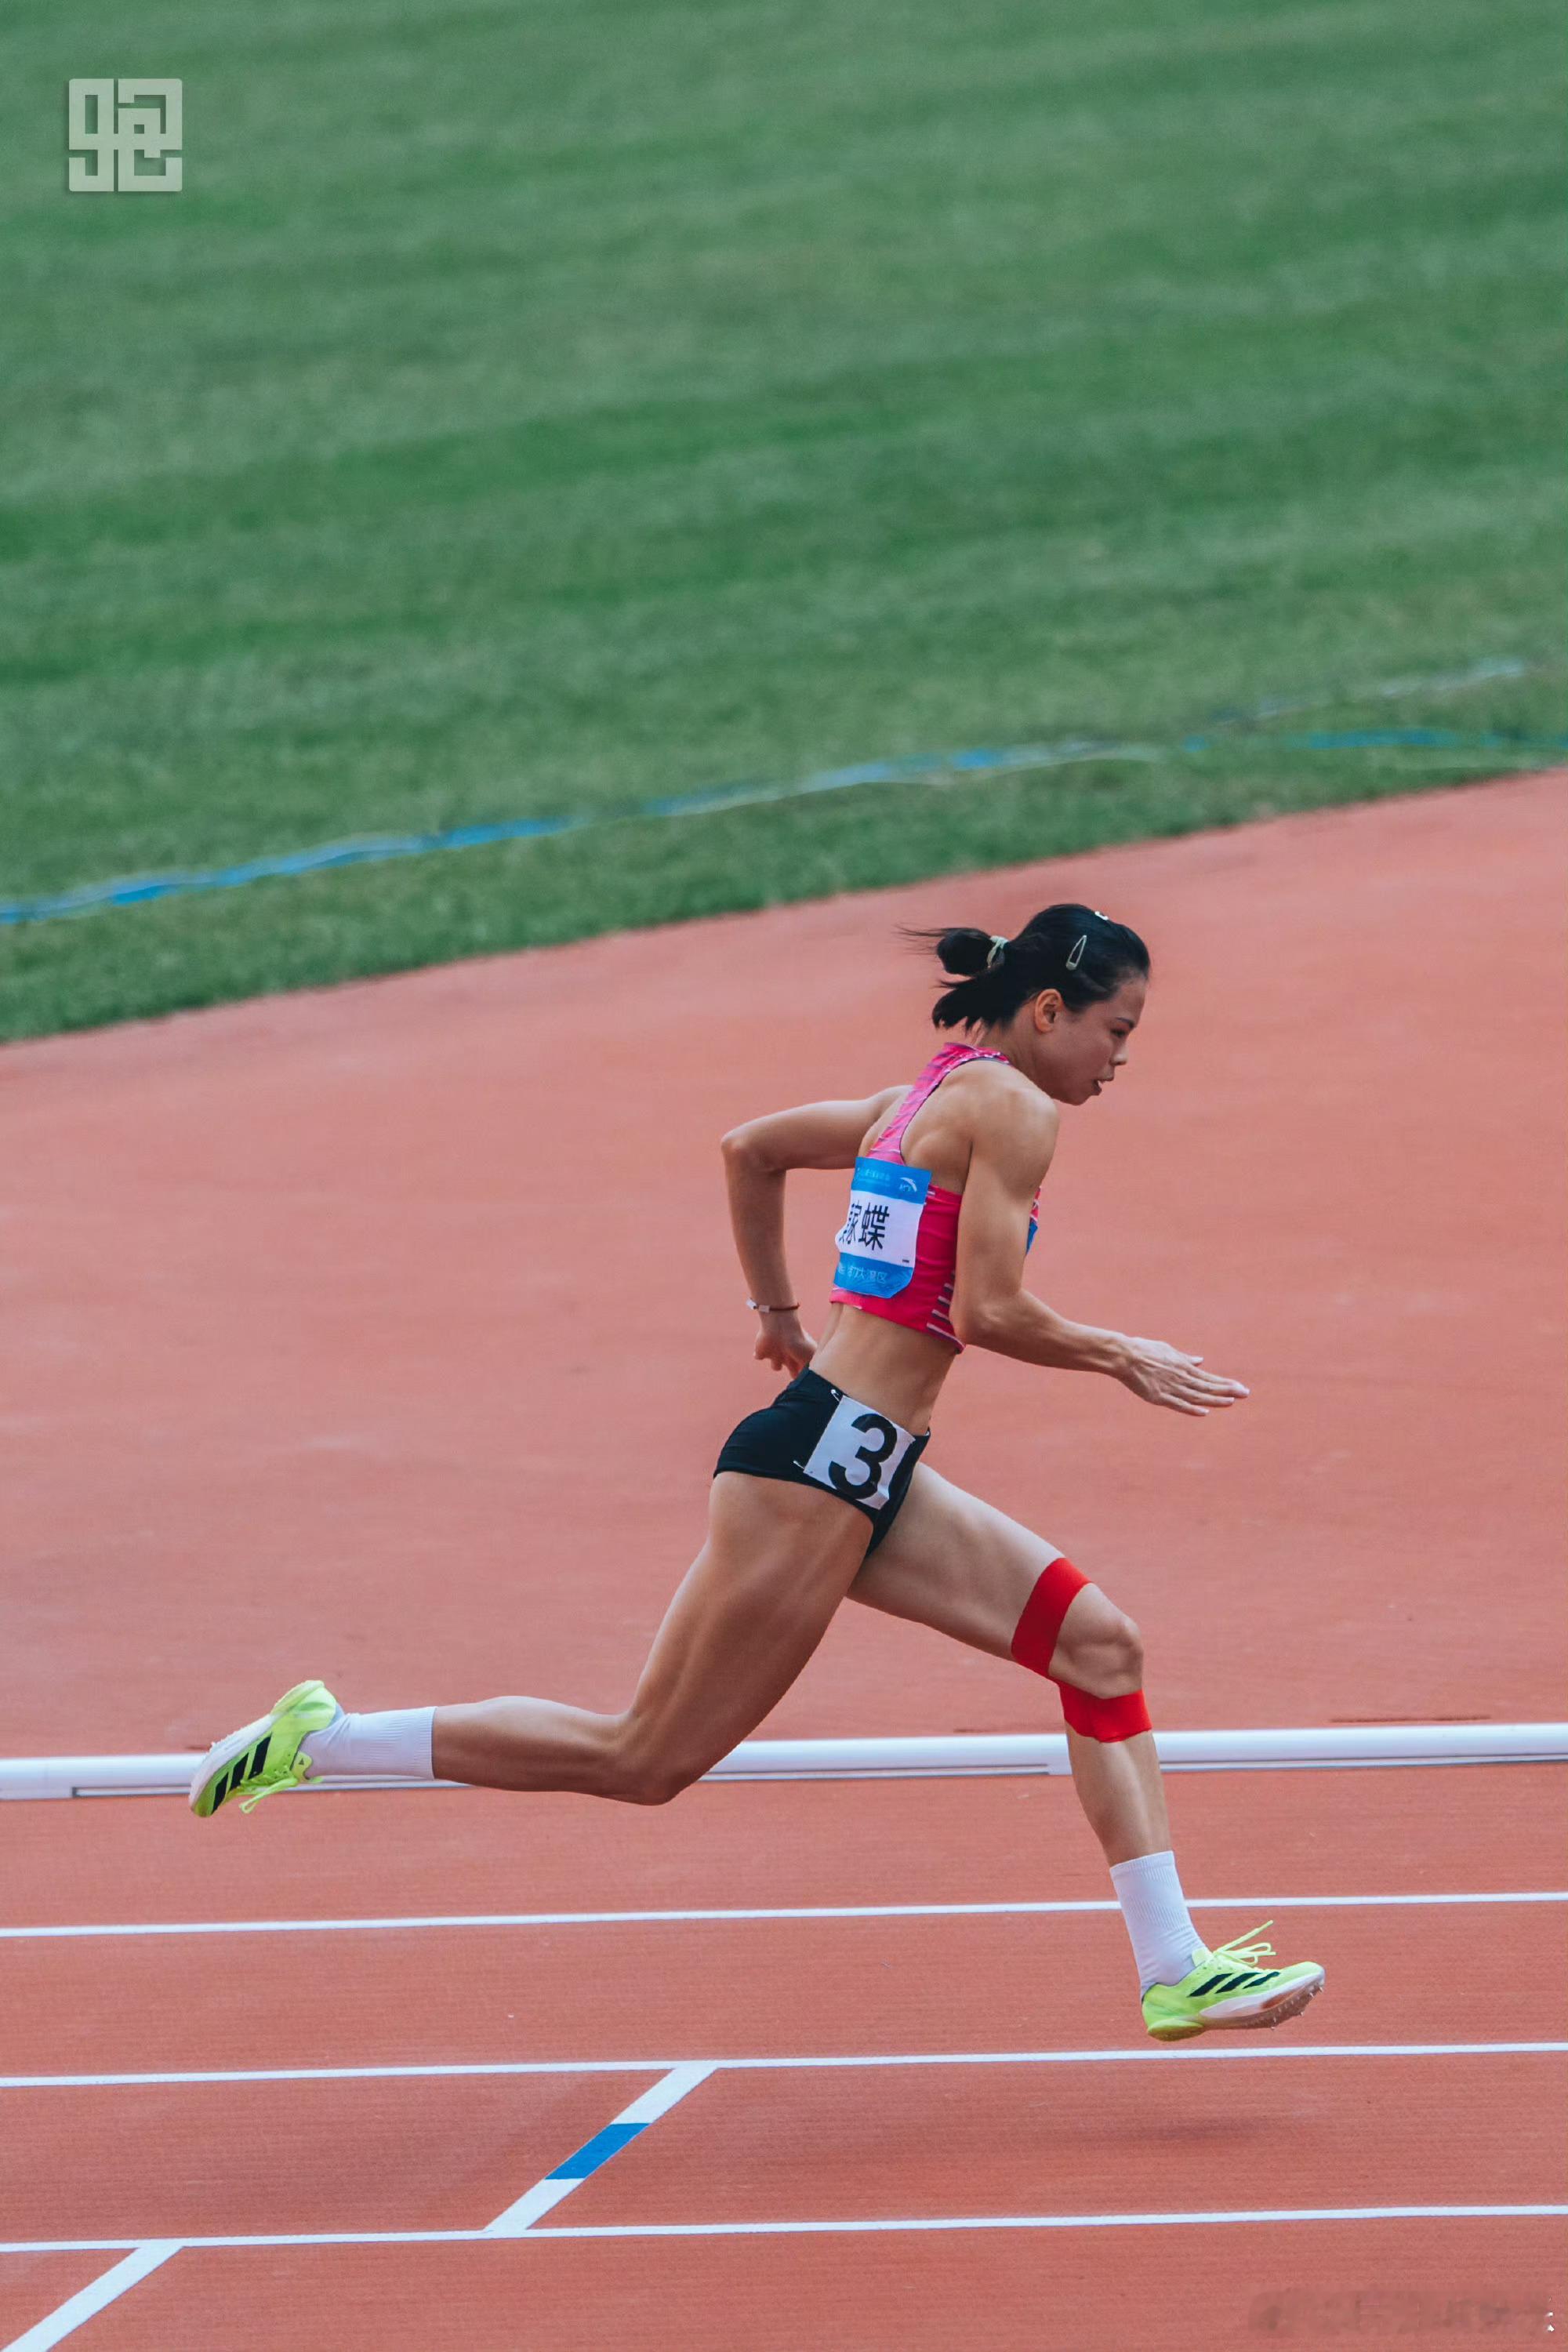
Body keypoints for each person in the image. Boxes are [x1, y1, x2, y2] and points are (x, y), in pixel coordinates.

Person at [191, 902, 1324, 2042]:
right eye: (1116, 1032)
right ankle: (322, 1739)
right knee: (642, 1757)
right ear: (1046, 1011)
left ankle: (1174, 1965)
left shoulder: (912, 1100)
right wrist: (1124, 1354)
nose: (1120, 1060)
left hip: (852, 1456)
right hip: (820, 1468)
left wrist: (782, 1317)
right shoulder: (1018, 1109)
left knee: (1101, 1647)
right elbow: (987, 1308)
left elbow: (752, 1148)